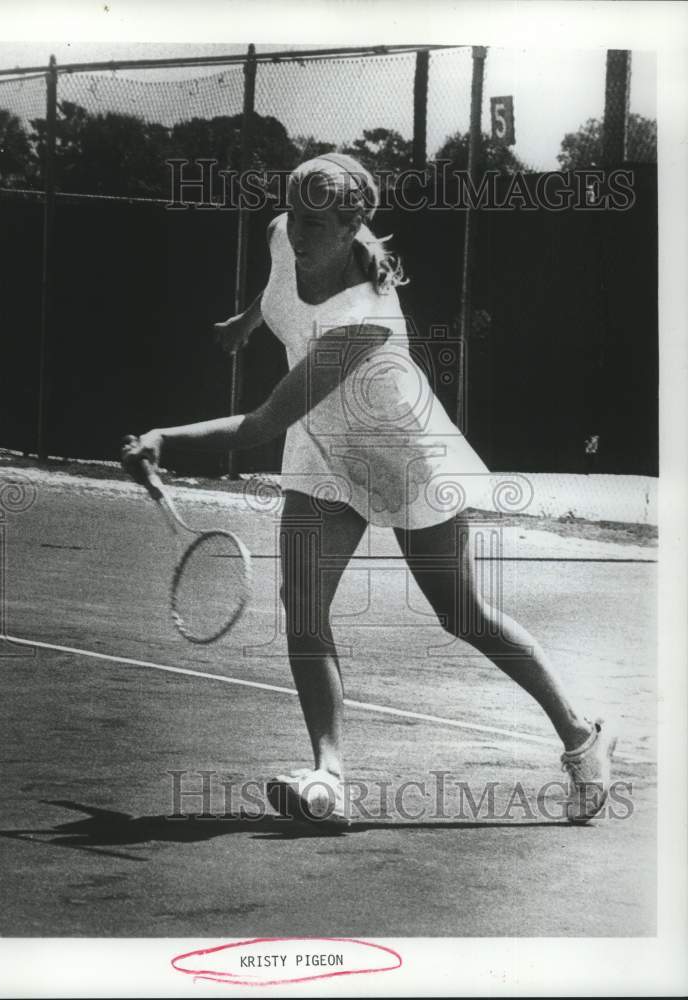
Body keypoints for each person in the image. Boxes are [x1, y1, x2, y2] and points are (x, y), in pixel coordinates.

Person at [122, 153, 615, 826]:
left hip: (400, 453)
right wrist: (247, 322)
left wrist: (164, 438)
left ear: (352, 222)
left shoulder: (363, 317)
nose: (298, 231)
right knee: (303, 604)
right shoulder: (282, 234)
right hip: (326, 446)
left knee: (462, 613)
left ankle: (581, 737)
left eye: (315, 222)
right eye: (294, 212)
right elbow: (278, 285)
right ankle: (329, 779)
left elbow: (262, 422)